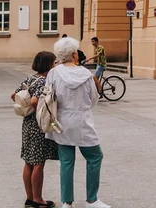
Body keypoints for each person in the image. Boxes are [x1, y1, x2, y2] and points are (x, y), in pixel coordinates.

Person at [46, 36, 110, 208]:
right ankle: (92, 199)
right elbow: (93, 99)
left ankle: (67, 202)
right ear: (74, 54)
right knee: (95, 156)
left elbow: (49, 97)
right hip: (82, 120)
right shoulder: (85, 74)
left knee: (66, 161)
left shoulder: (54, 73)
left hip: (61, 121)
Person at [12, 51, 58, 208]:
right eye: (54, 63)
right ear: (48, 65)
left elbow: (14, 95)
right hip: (38, 125)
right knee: (39, 162)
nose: (55, 65)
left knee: (28, 162)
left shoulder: (30, 78)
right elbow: (33, 101)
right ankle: (38, 199)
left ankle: (29, 198)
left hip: (27, 124)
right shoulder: (44, 81)